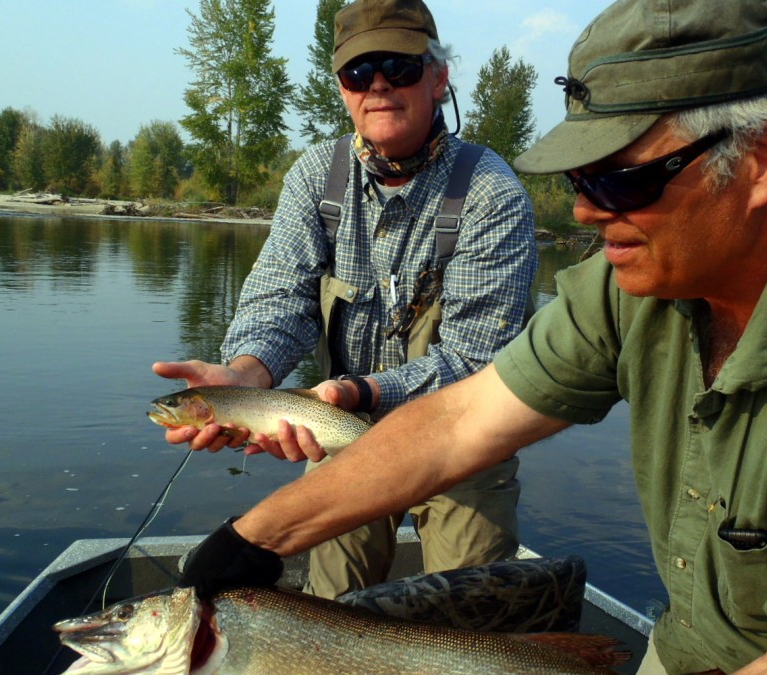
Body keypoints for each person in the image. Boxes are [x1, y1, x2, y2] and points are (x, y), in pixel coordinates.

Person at [177, 0, 767, 672]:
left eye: (621, 175)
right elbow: (465, 417)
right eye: (578, 174)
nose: (583, 209)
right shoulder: (641, 266)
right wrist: (255, 537)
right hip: (692, 649)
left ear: (764, 160)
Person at [155, 0, 537, 600]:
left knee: (466, 620)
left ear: (438, 78)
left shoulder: (493, 194)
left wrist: (359, 391)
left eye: (399, 67)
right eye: (359, 73)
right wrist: (243, 375)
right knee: (333, 609)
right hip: (336, 430)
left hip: (464, 439)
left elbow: (476, 362)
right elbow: (281, 299)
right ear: (341, 89)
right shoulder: (315, 176)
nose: (378, 84)